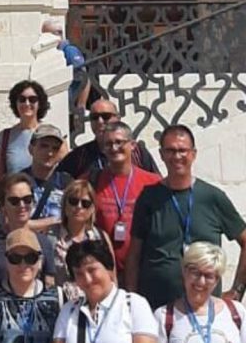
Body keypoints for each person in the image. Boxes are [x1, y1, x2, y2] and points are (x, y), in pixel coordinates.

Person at [126, 124, 246, 309]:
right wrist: (133, 303)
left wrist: (237, 290)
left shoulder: (212, 197)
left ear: (193, 154)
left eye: (182, 150)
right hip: (157, 307)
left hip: (204, 308)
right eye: (170, 151)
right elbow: (134, 255)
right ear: (161, 155)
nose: (177, 156)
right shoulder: (149, 198)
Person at [92, 122, 161, 285]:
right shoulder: (93, 180)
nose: (114, 148)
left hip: (144, 271)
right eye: (108, 144)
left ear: (132, 145)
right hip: (106, 272)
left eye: (119, 142)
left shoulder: (153, 182)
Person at [0, 173, 56, 290]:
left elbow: (49, 285)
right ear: (3, 206)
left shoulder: (44, 242)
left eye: (27, 199)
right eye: (14, 201)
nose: (22, 205)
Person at [57, 99, 160, 180]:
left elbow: (157, 183)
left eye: (106, 116)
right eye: (94, 117)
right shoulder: (79, 156)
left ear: (118, 118)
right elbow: (58, 187)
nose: (100, 121)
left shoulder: (137, 152)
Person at [55, 180, 114, 302]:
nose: (79, 207)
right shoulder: (51, 237)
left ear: (92, 209)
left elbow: (111, 276)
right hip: (63, 304)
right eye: (73, 201)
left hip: (98, 303)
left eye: (85, 203)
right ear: (65, 205)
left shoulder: (100, 236)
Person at [0, 80, 52, 191]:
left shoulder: (51, 134)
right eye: (22, 99)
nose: (27, 103)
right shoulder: (5, 137)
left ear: (40, 103)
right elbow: (0, 176)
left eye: (32, 99)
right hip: (16, 198)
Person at [22, 123, 72, 238]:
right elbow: (10, 222)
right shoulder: (18, 181)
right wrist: (53, 221)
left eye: (55, 148)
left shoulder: (67, 183)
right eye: (44, 146)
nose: (50, 153)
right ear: (31, 149)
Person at [41, 19, 90, 111]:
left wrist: (81, 105)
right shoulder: (49, 53)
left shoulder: (69, 51)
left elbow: (84, 77)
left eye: (46, 35)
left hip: (68, 106)